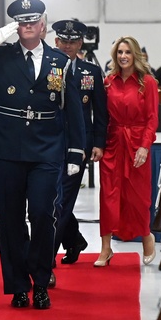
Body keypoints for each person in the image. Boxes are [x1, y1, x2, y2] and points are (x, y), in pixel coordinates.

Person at [0, 0, 85, 310]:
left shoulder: (60, 61)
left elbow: (74, 111)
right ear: (16, 26)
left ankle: (40, 281)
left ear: (42, 24)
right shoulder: (1, 56)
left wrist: (75, 153)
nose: (27, 26)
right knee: (10, 220)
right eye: (21, 22)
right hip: (8, 150)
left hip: (46, 148)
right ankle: (17, 286)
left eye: (33, 21)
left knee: (42, 214)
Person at [96, 36, 158, 266]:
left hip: (136, 145)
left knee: (138, 198)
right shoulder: (108, 82)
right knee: (109, 196)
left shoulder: (147, 82)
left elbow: (152, 119)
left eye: (128, 52)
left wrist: (144, 146)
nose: (123, 56)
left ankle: (146, 237)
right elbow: (102, 117)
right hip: (113, 144)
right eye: (120, 52)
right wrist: (99, 144)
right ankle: (105, 248)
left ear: (135, 55)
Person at [50, 19, 107, 270]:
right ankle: (73, 240)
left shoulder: (90, 72)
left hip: (78, 147)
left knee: (62, 201)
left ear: (80, 43)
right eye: (63, 41)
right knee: (49, 199)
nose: (67, 46)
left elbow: (100, 112)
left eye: (72, 42)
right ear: (55, 41)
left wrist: (98, 143)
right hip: (48, 143)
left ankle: (45, 258)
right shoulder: (48, 69)